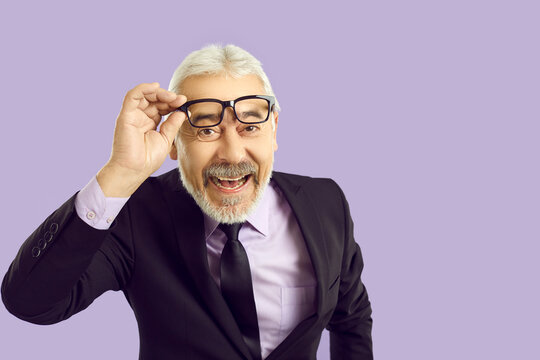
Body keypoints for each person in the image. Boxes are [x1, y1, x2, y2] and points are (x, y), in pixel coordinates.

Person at [1, 44, 373, 360]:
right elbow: (31, 303)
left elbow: (351, 315)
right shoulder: (136, 214)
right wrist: (121, 172)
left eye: (250, 127)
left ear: (274, 129)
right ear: (176, 143)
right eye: (207, 128)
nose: (231, 153)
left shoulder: (327, 203)